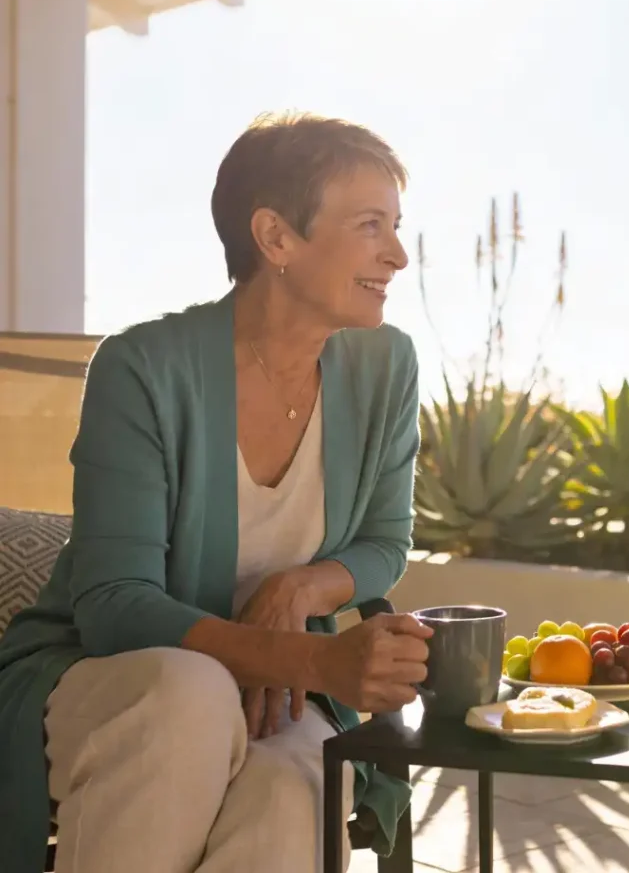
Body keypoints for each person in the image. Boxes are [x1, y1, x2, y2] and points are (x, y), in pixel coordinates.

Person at [0, 112, 433, 873]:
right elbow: (114, 603)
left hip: (278, 696)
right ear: (276, 238)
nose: (398, 254)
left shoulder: (386, 366)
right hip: (106, 679)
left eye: (396, 226)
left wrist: (298, 588)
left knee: (295, 782)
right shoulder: (142, 369)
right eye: (371, 226)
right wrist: (307, 662)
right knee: (190, 693)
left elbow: (383, 542)